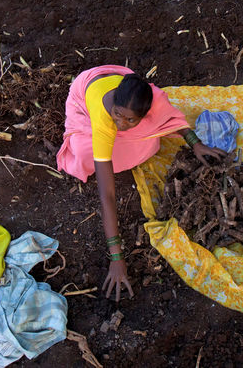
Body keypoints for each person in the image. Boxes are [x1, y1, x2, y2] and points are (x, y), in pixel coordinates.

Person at [56, 65, 227, 301]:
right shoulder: (103, 116)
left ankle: (136, 129)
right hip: (84, 97)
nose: (121, 124)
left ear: (143, 113)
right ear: (114, 103)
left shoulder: (151, 99)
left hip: (126, 88)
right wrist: (116, 256)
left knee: (151, 144)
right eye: (118, 114)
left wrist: (195, 143)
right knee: (86, 153)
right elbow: (107, 193)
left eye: (130, 120)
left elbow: (167, 117)